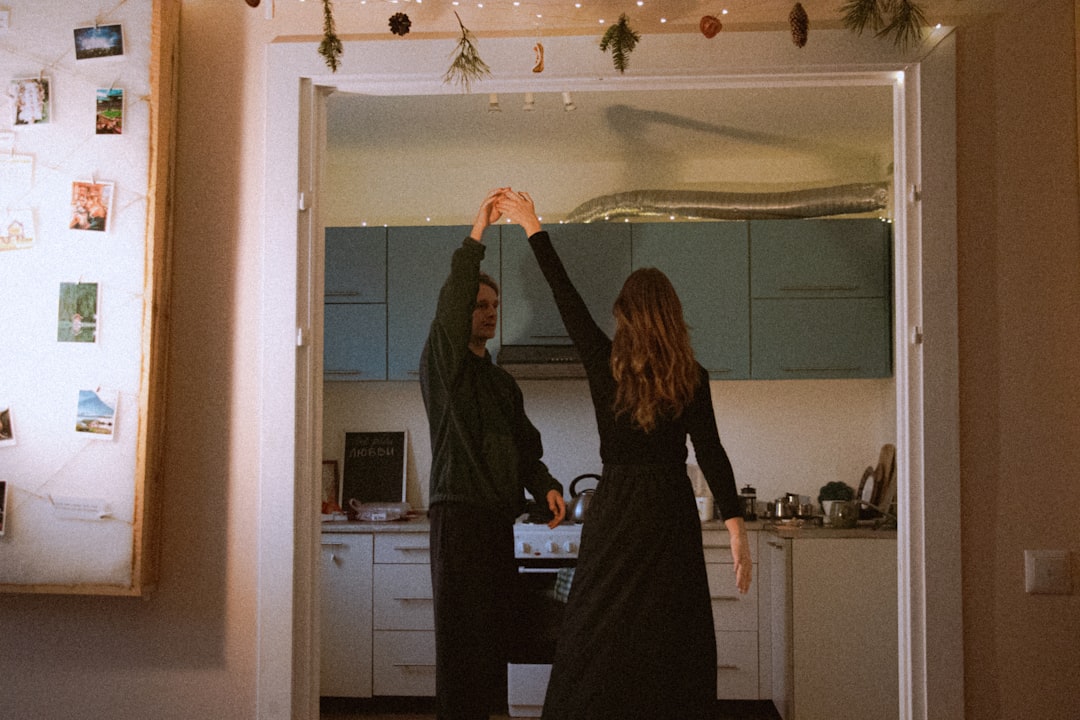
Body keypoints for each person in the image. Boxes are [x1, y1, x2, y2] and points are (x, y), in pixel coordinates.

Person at [497, 189, 753, 720]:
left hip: (616, 509)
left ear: (626, 316)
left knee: (596, 627)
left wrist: (532, 226)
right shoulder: (692, 377)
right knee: (672, 632)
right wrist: (735, 526)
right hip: (668, 511)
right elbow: (711, 452)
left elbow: (565, 295)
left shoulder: (603, 362)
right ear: (671, 316)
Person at [419, 188, 567, 720]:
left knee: (491, 648)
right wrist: (476, 234)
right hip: (457, 519)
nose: (488, 314)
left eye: (494, 306)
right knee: (461, 652)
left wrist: (547, 484)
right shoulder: (445, 368)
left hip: (496, 525)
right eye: (479, 306)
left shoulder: (503, 385)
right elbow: (451, 305)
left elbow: (527, 452)